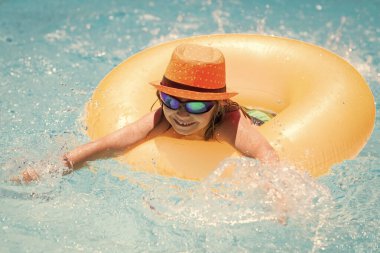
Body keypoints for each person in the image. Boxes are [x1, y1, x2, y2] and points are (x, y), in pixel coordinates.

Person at [17, 43, 279, 182]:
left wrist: (277, 195)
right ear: (161, 97)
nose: (182, 114)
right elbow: (105, 146)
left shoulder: (228, 122)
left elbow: (265, 154)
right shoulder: (162, 119)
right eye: (171, 100)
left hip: (264, 118)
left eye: (198, 105)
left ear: (217, 106)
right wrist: (48, 169)